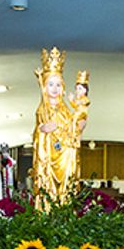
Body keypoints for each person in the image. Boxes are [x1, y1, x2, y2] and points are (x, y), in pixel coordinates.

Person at [30, 47, 85, 202]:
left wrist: (79, 126)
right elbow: (36, 134)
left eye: (58, 85)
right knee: (48, 191)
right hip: (48, 158)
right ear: (45, 87)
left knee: (66, 190)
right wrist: (42, 130)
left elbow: (72, 132)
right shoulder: (41, 110)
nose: (54, 89)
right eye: (51, 84)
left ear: (63, 88)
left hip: (65, 159)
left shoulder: (67, 111)